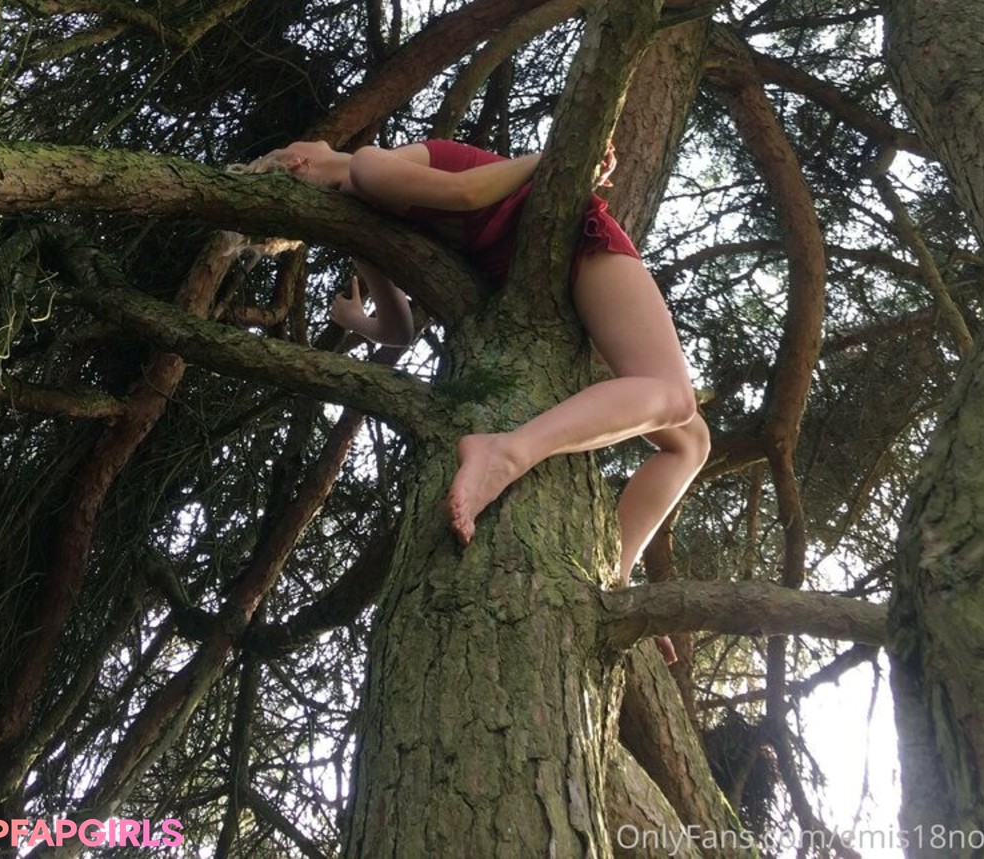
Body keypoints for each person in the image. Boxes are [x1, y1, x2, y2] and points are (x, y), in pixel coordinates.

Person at [238, 137, 710, 598]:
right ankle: (509, 452)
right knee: (675, 397)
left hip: (529, 263)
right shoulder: (366, 165)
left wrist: (357, 322)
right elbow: (466, 193)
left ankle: (615, 573)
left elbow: (399, 329)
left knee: (691, 440)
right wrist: (556, 157)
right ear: (298, 162)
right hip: (568, 246)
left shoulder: (362, 215)